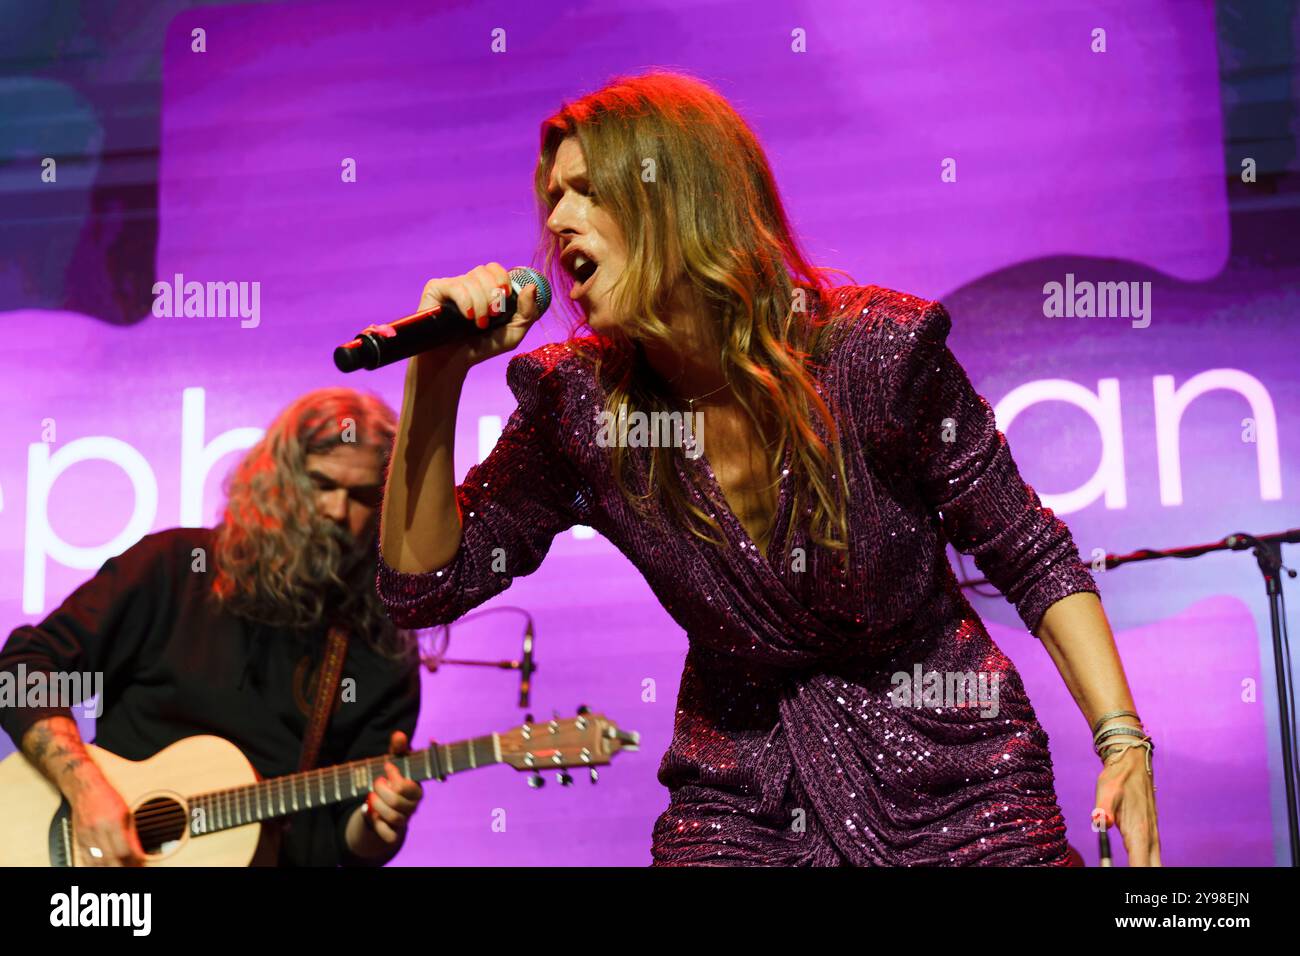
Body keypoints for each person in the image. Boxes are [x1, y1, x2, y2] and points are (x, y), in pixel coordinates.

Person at [376, 70, 1160, 866]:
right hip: (744, 791)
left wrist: (1122, 738)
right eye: (553, 198)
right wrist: (435, 376)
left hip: (957, 774)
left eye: (589, 191)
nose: (559, 219)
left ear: (682, 198)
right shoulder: (582, 406)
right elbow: (424, 584)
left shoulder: (874, 354)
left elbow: (1029, 551)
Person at [0, 388, 423, 866]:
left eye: (364, 496)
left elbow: (334, 846)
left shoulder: (382, 650)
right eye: (321, 485)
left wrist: (376, 825)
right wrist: (87, 789)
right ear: (279, 481)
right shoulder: (175, 570)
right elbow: (21, 672)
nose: (337, 512)